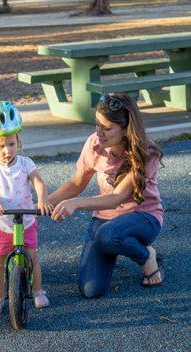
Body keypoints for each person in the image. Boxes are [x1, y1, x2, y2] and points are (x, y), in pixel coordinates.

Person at [50, 93, 164, 298]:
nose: (99, 133)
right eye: (97, 125)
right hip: (105, 220)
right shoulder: (94, 144)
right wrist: (42, 203)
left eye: (107, 128)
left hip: (143, 218)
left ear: (125, 129)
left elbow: (118, 197)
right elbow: (77, 183)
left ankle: (147, 256)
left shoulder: (147, 152)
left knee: (108, 235)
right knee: (91, 290)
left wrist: (75, 204)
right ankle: (117, 244)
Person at [0, 101, 53, 314]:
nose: (7, 150)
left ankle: (38, 291)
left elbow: (38, 182)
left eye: (11, 144)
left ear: (18, 141)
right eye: (1, 146)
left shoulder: (26, 163)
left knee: (32, 256)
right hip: (1, 224)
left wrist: (42, 200)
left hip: (26, 221)